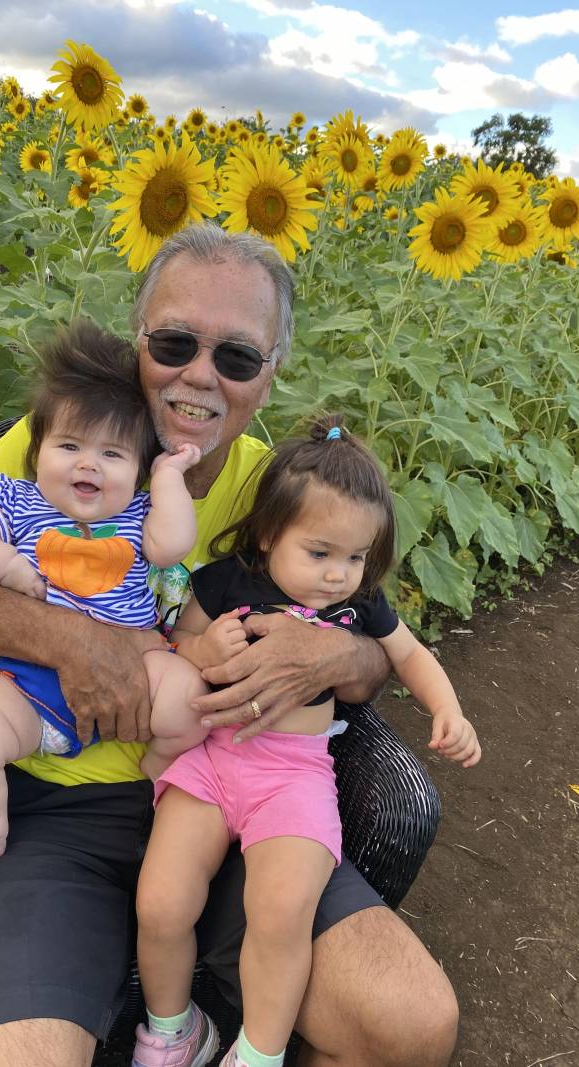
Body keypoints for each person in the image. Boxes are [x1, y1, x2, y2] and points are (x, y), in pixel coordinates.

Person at [0, 222, 460, 1067]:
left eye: (236, 356)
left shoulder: (282, 488)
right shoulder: (72, 443)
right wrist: (77, 641)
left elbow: (373, 631)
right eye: (174, 341)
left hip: (236, 803)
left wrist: (340, 658)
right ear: (137, 344)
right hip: (52, 815)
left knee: (411, 1027)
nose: (199, 374)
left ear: (268, 379)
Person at [133, 416, 480, 1067]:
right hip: (209, 761)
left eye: (355, 557)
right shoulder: (228, 580)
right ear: (269, 535)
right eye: (320, 553)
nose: (338, 576)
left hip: (292, 777)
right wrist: (205, 646)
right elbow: (179, 642)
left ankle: (258, 1052)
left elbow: (408, 655)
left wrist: (448, 709)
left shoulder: (356, 607)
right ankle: (173, 1026)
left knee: (281, 909)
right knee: (161, 899)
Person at [0, 320, 211, 868]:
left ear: (137, 472)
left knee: (190, 701)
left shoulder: (138, 515)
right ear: (37, 455)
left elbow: (173, 545)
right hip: (30, 680)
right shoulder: (17, 504)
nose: (88, 463)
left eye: (113, 455)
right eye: (69, 445)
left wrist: (170, 477)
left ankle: (155, 769)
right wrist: (7, 565)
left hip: (137, 660)